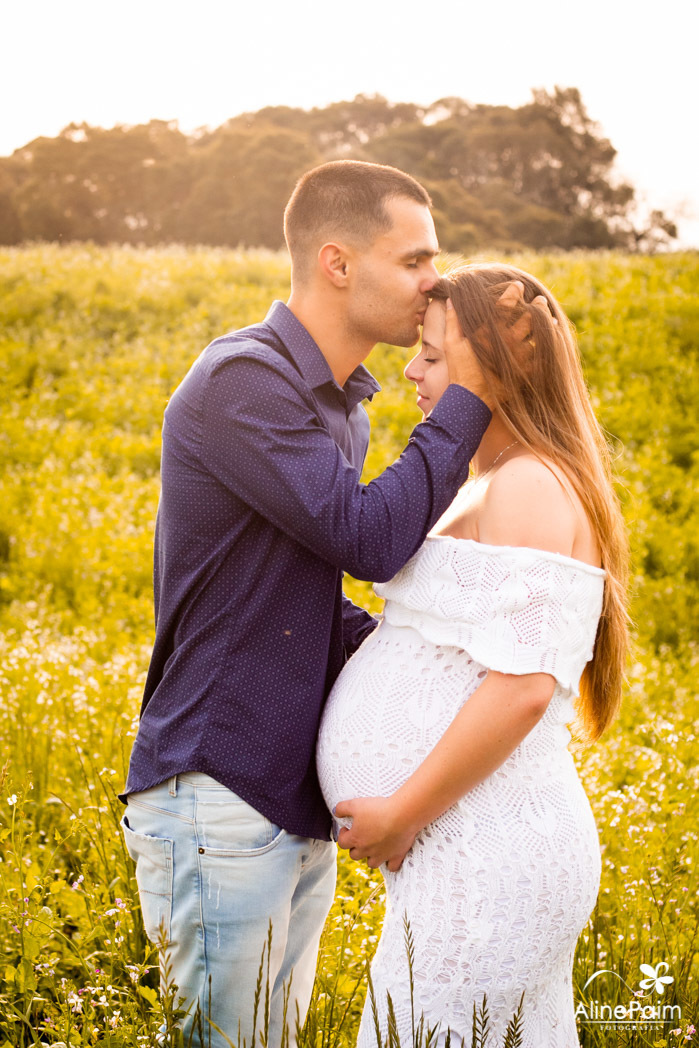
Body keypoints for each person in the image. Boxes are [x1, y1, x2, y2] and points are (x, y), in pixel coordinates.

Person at [118, 161, 492, 1047]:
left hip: (287, 801)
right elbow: (364, 539)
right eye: (414, 261)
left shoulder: (340, 406)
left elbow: (305, 596)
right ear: (336, 262)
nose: (433, 282)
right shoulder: (243, 382)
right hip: (218, 788)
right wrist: (469, 397)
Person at [317, 263, 630, 1047]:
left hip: (486, 855)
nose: (409, 369)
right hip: (465, 850)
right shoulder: (496, 479)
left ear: (497, 365)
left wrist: (400, 812)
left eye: (431, 353)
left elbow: (524, 685)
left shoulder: (526, 483)